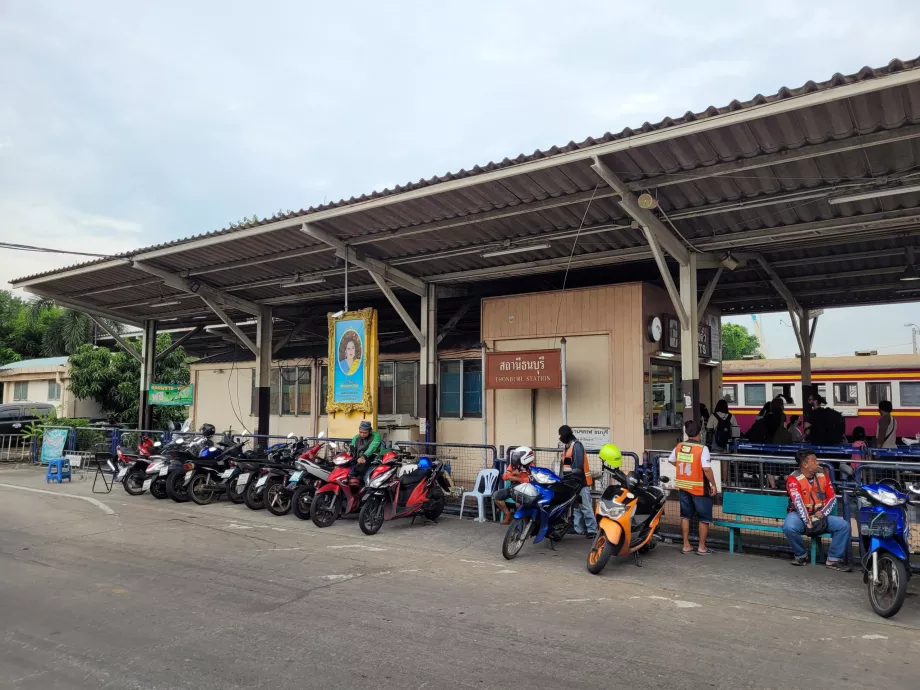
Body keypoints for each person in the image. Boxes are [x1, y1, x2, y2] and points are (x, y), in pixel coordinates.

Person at [783, 449, 851, 570]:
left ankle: (833, 559)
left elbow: (832, 497)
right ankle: (801, 555)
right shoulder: (793, 479)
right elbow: (798, 503)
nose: (817, 462)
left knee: (844, 526)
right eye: (814, 460)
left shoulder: (822, 475)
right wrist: (808, 521)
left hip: (820, 515)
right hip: (799, 516)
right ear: (805, 464)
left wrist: (824, 512)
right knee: (789, 526)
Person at [670, 419, 717, 555]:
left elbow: (672, 460)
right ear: (700, 433)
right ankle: (702, 547)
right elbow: (706, 469)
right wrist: (713, 484)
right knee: (704, 518)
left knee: (685, 516)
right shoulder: (702, 448)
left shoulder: (679, 446)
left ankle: (686, 545)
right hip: (699, 488)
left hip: (683, 486)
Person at [558, 425, 597, 537]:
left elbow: (578, 466)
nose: (560, 437)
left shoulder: (577, 446)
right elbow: (565, 466)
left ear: (565, 435)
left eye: (561, 435)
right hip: (571, 482)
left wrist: (575, 481)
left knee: (586, 506)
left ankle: (592, 530)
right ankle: (579, 529)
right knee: (576, 507)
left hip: (580, 482)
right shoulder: (567, 447)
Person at [493, 448, 532, 525]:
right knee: (496, 496)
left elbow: (529, 480)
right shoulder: (512, 465)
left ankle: (521, 521)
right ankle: (508, 514)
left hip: (524, 488)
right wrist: (514, 474)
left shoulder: (530, 466)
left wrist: (517, 477)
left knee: (519, 503)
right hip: (512, 487)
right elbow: (505, 477)